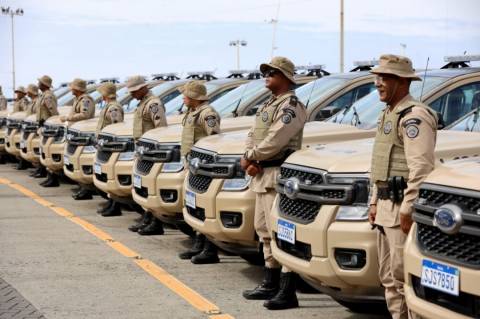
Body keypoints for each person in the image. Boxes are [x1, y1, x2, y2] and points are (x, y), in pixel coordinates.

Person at [367, 54, 437, 319]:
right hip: (385, 206)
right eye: (378, 77)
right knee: (388, 277)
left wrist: (408, 209)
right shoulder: (388, 113)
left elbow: (421, 169)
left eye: (385, 77)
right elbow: (380, 166)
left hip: (400, 209)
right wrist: (373, 202)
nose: (378, 83)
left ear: (402, 81)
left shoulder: (414, 116)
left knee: (404, 278)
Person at [241, 56, 306, 310]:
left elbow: (276, 139)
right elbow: (254, 133)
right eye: (265, 72)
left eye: (272, 72)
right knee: (264, 230)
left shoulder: (291, 105)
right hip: (261, 173)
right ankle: (270, 282)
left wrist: (251, 156)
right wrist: (249, 156)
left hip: (277, 173)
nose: (266, 75)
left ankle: (288, 290)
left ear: (286, 77)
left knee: (281, 233)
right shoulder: (269, 103)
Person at [171, 81, 221, 264]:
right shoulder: (193, 112)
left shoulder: (207, 113)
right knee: (194, 205)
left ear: (193, 96)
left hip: (203, 168)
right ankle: (199, 243)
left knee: (203, 206)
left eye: (185, 94)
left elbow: (214, 139)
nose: (183, 97)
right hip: (192, 166)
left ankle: (210, 248)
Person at [93, 82, 125, 212]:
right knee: (107, 176)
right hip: (105, 147)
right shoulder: (109, 106)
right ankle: (111, 202)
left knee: (111, 176)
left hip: (111, 147)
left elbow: (116, 127)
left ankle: (115, 206)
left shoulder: (113, 108)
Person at [36, 75, 59, 184]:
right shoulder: (43, 95)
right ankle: (49, 176)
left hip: (48, 126)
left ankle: (53, 178)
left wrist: (53, 124)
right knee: (43, 150)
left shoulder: (48, 96)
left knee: (47, 150)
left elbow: (53, 112)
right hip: (43, 126)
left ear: (44, 85)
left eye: (40, 82)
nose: (38, 84)